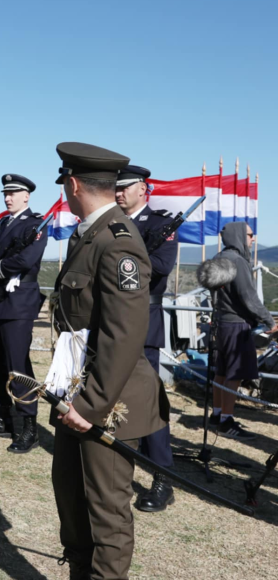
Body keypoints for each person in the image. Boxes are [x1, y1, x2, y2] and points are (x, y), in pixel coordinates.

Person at [19, 142, 168, 580]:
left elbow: (126, 337)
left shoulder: (117, 240)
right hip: (75, 391)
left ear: (75, 184)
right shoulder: (88, 234)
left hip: (110, 398)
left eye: (64, 181)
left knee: (105, 507)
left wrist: (93, 403)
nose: (64, 188)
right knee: (71, 495)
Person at [115, 165, 178, 512]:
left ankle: (161, 476)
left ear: (143, 189)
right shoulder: (111, 223)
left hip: (143, 319)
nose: (119, 193)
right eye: (116, 188)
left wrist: (121, 258)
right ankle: (114, 465)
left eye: (126, 187)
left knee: (149, 402)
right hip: (111, 320)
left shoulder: (159, 225)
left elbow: (161, 266)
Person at [0, 173, 48, 454]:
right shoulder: (1, 224)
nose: (8, 198)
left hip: (18, 303)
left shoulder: (36, 224)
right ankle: (2, 419)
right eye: (5, 193)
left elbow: (26, 259)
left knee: (17, 366)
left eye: (13, 193)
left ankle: (29, 427)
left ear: (26, 196)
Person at [210, 221, 277, 440]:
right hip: (237, 324)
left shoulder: (219, 258)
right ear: (240, 236)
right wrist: (269, 321)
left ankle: (217, 415)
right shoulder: (237, 261)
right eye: (250, 234)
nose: (253, 238)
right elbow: (248, 296)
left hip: (222, 322)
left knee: (222, 371)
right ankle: (226, 422)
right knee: (235, 373)